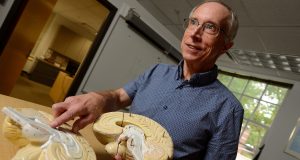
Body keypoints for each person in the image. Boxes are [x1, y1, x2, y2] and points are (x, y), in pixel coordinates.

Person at [50, 0, 244, 159]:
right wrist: (98, 99)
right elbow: (118, 97)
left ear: (226, 45)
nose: (195, 33)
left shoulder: (228, 109)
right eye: (193, 22)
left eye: (210, 27)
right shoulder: (156, 72)